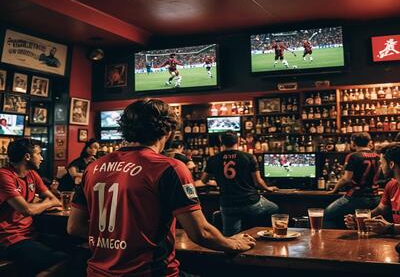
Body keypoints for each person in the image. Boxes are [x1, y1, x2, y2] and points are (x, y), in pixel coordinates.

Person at [67, 99, 256, 276]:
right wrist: (234, 244)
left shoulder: (93, 167)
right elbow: (201, 233)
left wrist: (118, 239)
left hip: (96, 272)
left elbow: (75, 227)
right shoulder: (169, 167)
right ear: (169, 131)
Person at [0, 138, 66, 275]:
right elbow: (27, 210)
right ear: (27, 157)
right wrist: (44, 203)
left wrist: (39, 204)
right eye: (39, 154)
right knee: (59, 259)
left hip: (29, 234)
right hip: (7, 239)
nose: (41, 158)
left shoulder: (32, 174)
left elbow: (56, 200)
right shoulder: (4, 176)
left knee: (74, 248)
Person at [201, 131, 279, 236]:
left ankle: (234, 249)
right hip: (251, 202)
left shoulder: (213, 159)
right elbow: (258, 181)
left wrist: (219, 181)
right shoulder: (248, 157)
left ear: (221, 142)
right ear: (238, 141)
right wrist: (268, 188)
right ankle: (264, 234)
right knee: (274, 208)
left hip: (228, 205)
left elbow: (204, 180)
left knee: (231, 237)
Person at [324, 133, 381, 228]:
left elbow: (346, 178)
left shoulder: (353, 156)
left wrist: (334, 190)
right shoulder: (377, 156)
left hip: (356, 196)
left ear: (353, 143)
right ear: (369, 143)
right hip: (375, 197)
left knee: (326, 216)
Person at [345, 143, 400, 235]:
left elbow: (390, 227)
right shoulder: (391, 185)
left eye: (382, 162)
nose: (380, 166)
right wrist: (358, 218)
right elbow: (381, 210)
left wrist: (390, 228)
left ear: (391, 164)